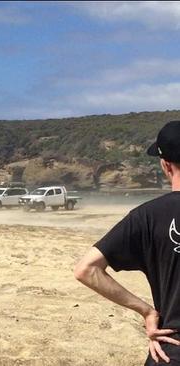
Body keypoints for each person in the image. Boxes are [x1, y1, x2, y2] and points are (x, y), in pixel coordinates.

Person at [75, 120, 180, 365]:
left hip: (173, 348)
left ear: (165, 165)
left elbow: (86, 269)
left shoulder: (147, 217)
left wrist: (147, 312)